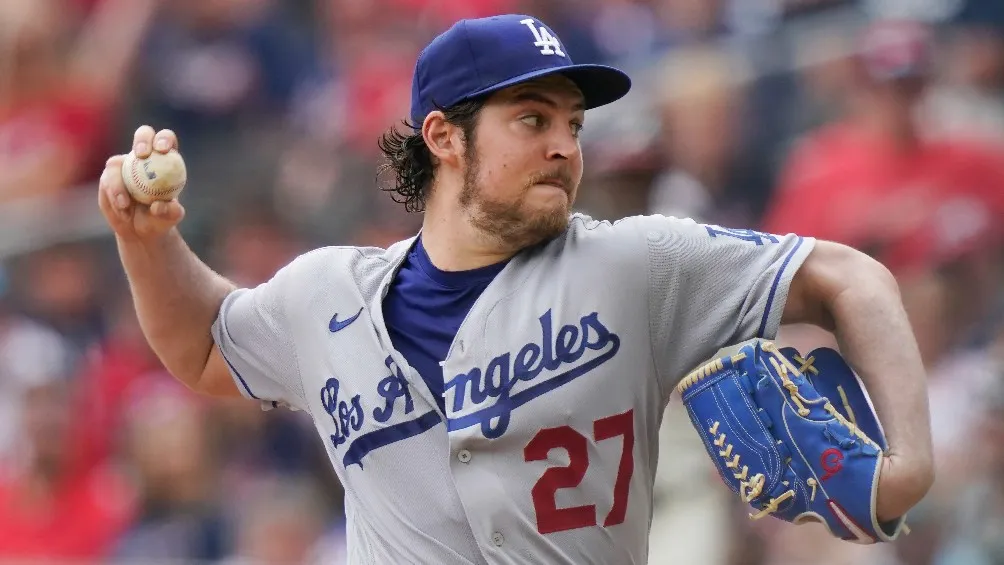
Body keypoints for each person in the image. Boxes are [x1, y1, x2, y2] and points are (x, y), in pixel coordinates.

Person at [97, 14, 934, 564]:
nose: (565, 146)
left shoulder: (634, 264)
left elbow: (849, 276)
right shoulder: (326, 293)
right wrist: (148, 240)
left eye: (573, 123)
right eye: (532, 120)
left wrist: (908, 467)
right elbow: (204, 341)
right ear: (443, 136)